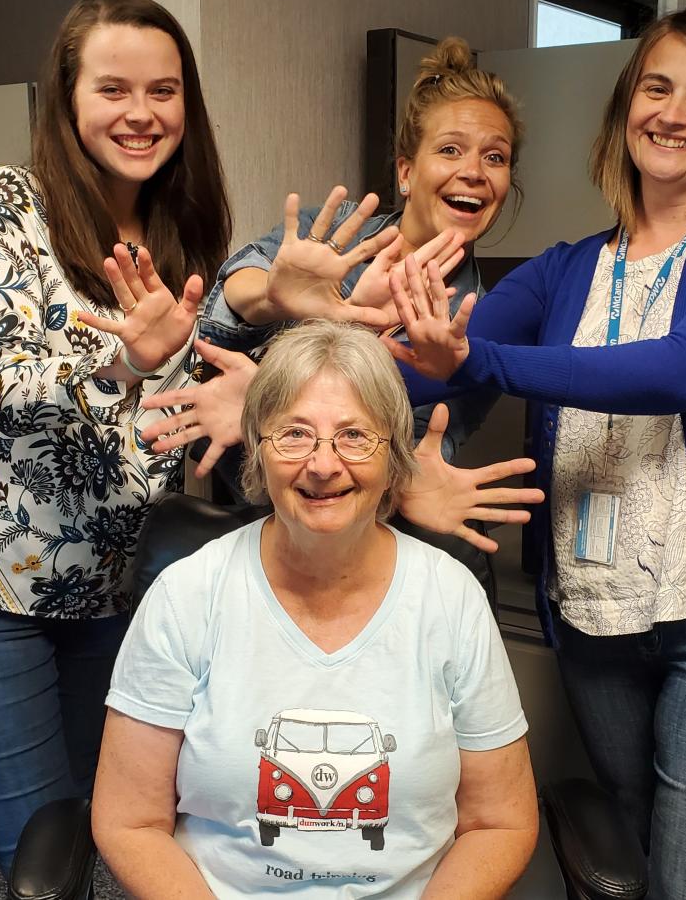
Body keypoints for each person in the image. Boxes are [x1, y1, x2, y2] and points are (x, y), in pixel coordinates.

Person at [388, 6, 686, 899]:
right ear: (626, 107)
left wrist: (477, 356)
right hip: (598, 617)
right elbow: (420, 379)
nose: (673, 113)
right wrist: (284, 371)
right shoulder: (566, 270)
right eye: (656, 87)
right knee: (623, 866)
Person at [0, 0, 230, 874]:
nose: (141, 113)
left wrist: (262, 311)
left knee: (109, 830)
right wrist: (124, 365)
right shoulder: (9, 204)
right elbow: (4, 385)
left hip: (113, 587)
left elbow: (198, 389)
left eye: (163, 90)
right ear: (68, 98)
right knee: (39, 853)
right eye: (113, 88)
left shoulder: (183, 233)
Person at [93, 321, 538, 898]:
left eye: (355, 436)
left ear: (393, 457)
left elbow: (498, 822)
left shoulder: (450, 599)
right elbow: (131, 821)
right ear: (258, 447)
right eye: (295, 434)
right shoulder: (187, 596)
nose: (324, 465)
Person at [147, 36, 523, 467]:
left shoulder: (482, 328)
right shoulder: (340, 230)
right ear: (406, 172)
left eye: (495, 156)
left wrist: (265, 403)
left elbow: (412, 456)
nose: (474, 172)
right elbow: (227, 300)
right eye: (450, 150)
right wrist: (273, 296)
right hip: (239, 501)